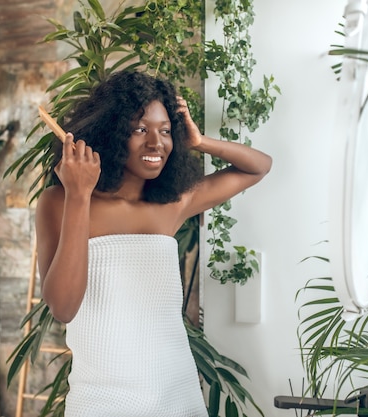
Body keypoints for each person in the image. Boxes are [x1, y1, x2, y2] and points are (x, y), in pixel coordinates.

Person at [35, 71, 272, 417]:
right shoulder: (60, 201)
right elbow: (63, 307)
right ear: (111, 133)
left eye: (165, 131)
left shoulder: (172, 205)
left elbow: (258, 167)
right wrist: (79, 195)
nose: (155, 143)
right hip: (101, 403)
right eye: (139, 129)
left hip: (176, 397)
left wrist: (200, 141)